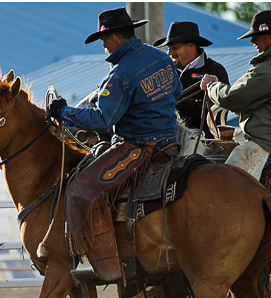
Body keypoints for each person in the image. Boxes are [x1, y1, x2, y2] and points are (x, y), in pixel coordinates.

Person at [47, 6, 181, 282]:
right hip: (170, 141)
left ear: (116, 38)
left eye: (104, 40)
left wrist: (64, 112)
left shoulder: (119, 74)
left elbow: (102, 119)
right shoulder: (161, 57)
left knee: (81, 190)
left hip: (139, 148)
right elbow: (176, 91)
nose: (104, 46)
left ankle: (98, 263)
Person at [200, 10, 271, 180]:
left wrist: (211, 86)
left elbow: (232, 98)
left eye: (256, 36)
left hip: (269, 144)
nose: (252, 41)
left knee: (224, 183)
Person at [154, 21, 229, 137]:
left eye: (175, 47)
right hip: (169, 139)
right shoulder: (165, 72)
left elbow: (217, 112)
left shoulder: (215, 70)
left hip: (205, 141)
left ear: (191, 47)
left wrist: (173, 97)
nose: (170, 53)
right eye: (169, 48)